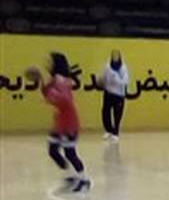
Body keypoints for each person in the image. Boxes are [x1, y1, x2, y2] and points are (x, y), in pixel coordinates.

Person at [37, 52, 90, 192]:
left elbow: (64, 100)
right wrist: (41, 82)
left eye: (50, 61)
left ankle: (84, 179)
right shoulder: (55, 79)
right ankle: (71, 175)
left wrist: (50, 94)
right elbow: (48, 94)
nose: (47, 63)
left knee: (70, 153)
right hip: (60, 121)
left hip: (68, 121)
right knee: (53, 150)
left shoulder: (60, 80)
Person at [98, 50, 130, 142]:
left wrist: (115, 78)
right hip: (108, 93)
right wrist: (101, 81)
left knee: (117, 114)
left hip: (119, 94)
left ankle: (116, 132)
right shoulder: (107, 67)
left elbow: (125, 81)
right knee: (105, 112)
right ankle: (108, 130)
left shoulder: (123, 68)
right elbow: (103, 77)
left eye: (117, 57)